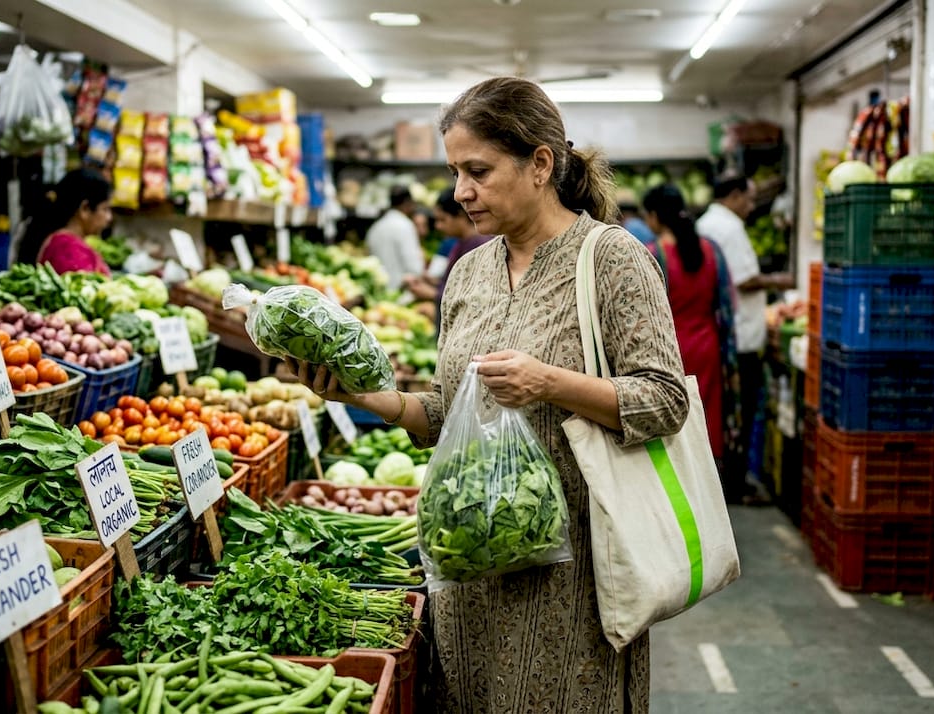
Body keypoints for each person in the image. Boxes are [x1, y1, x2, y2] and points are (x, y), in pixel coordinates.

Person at [286, 76, 688, 713]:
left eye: (477, 170)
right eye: (453, 172)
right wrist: (371, 398)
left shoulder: (612, 259)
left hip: (573, 577)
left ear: (540, 164)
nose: (460, 192)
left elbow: (665, 399)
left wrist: (548, 382)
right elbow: (448, 411)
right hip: (469, 571)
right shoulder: (468, 271)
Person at [695, 173, 791, 501]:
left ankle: (726, 481)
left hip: (728, 332)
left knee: (728, 413)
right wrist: (780, 281)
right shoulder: (728, 227)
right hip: (742, 337)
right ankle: (736, 485)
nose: (750, 207)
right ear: (734, 195)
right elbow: (745, 279)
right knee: (742, 412)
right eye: (748, 199)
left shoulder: (708, 223)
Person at [642, 184, 738, 467]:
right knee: (706, 423)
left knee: (676, 426)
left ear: (656, 216)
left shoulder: (653, 254)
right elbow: (727, 309)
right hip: (708, 350)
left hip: (670, 353)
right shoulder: (711, 251)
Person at [403, 188, 493, 318]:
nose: (438, 226)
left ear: (460, 216)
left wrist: (432, 294)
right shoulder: (460, 243)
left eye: (442, 220)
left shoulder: (480, 246)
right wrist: (431, 281)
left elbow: (474, 299)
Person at [15, 168, 113, 275]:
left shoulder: (63, 243)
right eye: (105, 209)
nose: (109, 218)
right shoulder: (69, 252)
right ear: (84, 209)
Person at [365, 187, 425, 290]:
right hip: (402, 293)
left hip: (379, 291)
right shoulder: (405, 225)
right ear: (407, 203)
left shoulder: (375, 227)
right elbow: (415, 267)